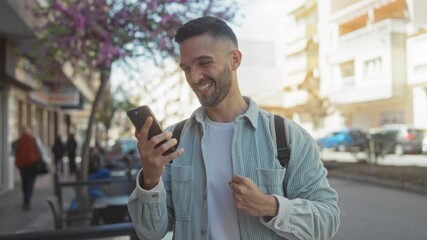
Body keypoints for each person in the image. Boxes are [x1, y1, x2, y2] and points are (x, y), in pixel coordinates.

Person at [128, 16, 340, 239]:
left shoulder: (287, 137)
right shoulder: (174, 140)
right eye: (186, 68)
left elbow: (327, 220)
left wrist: (270, 206)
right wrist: (150, 178)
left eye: (205, 63)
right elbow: (150, 233)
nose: (194, 77)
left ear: (235, 60)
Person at [14, 126, 40, 211]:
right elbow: (40, 151)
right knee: (30, 184)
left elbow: (14, 151)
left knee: (25, 183)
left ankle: (26, 200)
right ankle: (27, 201)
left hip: (22, 166)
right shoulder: (33, 140)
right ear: (29, 132)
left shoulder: (19, 141)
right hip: (32, 165)